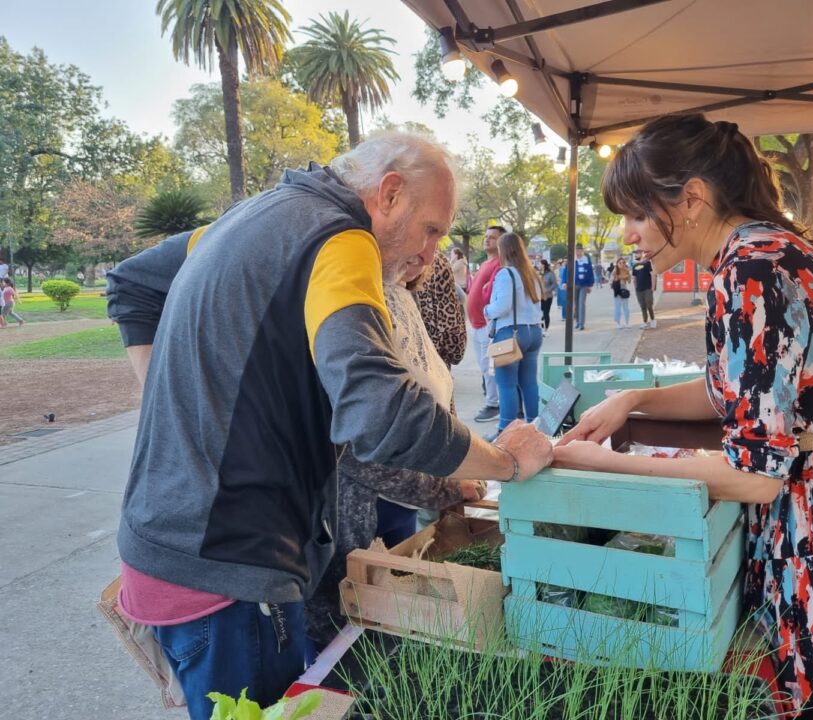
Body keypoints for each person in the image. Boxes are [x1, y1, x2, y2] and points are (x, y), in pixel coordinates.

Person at [105, 133, 552, 720]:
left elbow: (133, 283)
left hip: (162, 550)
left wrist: (178, 401)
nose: (430, 255)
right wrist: (506, 461)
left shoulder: (252, 216)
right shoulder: (342, 238)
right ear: (389, 193)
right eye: (431, 230)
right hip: (231, 572)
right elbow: (381, 413)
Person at [552, 114, 813, 719]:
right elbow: (740, 393)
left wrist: (601, 465)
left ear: (691, 199)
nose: (627, 234)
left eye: (636, 214)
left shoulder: (749, 271)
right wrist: (632, 401)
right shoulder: (762, 249)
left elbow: (754, 476)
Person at [305, 250, 483, 651]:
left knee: (393, 623)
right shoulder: (350, 302)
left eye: (437, 237)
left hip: (400, 503)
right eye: (427, 230)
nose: (428, 252)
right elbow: (363, 443)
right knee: (345, 644)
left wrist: (455, 467)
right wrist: (449, 484)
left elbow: (432, 399)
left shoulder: (400, 294)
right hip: (352, 517)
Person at [483, 232, 543, 436]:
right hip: (533, 331)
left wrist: (486, 310)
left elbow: (502, 306)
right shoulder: (531, 273)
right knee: (529, 382)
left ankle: (505, 430)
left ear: (504, 251)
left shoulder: (506, 274)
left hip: (510, 333)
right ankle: (534, 427)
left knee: (506, 384)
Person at [466, 225, 506, 423]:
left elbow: (493, 293)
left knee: (491, 367)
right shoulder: (485, 264)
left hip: (488, 326)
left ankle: (494, 404)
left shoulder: (500, 264)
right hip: (476, 325)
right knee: (485, 367)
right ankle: (493, 401)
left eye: (492, 237)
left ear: (501, 242)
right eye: (486, 236)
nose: (487, 239)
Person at [559, 244, 595, 330]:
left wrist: (590, 285)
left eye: (580, 250)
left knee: (582, 303)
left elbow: (590, 272)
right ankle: (578, 321)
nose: (578, 252)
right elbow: (566, 272)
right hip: (574, 284)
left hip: (584, 285)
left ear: (582, 251)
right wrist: (564, 282)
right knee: (576, 304)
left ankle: (581, 323)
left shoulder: (586, 260)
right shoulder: (572, 260)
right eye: (577, 250)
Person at [631, 250, 657, 328]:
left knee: (649, 305)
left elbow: (653, 275)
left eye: (638, 253)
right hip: (639, 290)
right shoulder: (634, 266)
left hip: (647, 288)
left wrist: (653, 287)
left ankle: (653, 319)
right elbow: (634, 278)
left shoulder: (647, 263)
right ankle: (645, 322)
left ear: (642, 254)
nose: (636, 255)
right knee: (643, 306)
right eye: (635, 253)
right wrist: (635, 287)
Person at [610, 256, 631, 329]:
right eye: (620, 263)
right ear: (617, 263)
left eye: (623, 262)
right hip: (617, 289)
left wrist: (627, 273)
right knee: (617, 307)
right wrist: (623, 277)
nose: (622, 264)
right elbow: (613, 279)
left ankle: (627, 323)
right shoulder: (615, 270)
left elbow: (629, 280)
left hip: (624, 289)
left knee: (626, 307)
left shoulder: (626, 270)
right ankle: (617, 323)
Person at [538, 259, 557, 336]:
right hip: (539, 296)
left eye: (540, 264)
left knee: (546, 312)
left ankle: (546, 329)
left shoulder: (550, 274)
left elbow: (554, 284)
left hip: (548, 296)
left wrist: (547, 290)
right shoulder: (538, 273)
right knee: (540, 312)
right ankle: (542, 327)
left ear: (543, 265)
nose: (539, 265)